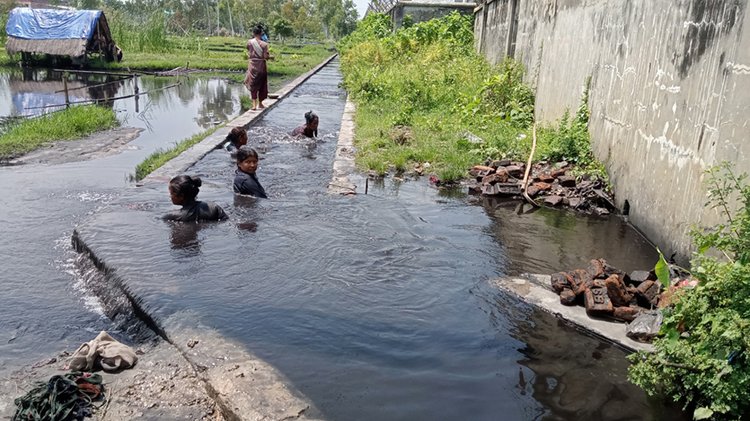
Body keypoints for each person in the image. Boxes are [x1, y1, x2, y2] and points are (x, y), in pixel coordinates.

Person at [164, 175, 228, 222]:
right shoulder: (214, 207)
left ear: (181, 196)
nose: (170, 196)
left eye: (171, 193)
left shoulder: (172, 217)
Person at [244, 26, 272, 111]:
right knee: (262, 85)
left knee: (253, 84)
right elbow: (265, 57)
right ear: (261, 34)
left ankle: (253, 105)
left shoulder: (249, 42)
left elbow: (248, 50)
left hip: (252, 66)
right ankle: (260, 103)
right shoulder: (264, 44)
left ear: (253, 33)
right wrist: (270, 57)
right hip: (261, 67)